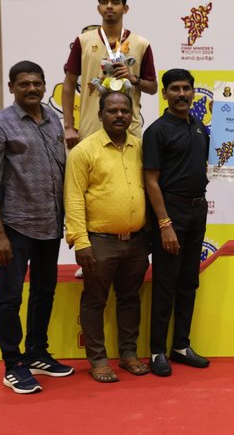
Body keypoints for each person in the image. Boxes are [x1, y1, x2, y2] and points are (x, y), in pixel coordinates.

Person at [0, 61, 74, 394]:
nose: (31, 89)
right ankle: (13, 364)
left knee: (44, 292)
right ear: (11, 88)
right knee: (9, 297)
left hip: (50, 224)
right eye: (24, 84)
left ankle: (36, 352)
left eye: (37, 83)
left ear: (45, 85)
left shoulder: (53, 122)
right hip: (14, 227)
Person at [65, 91, 151, 383]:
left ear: (132, 115)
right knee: (94, 300)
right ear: (100, 115)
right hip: (99, 241)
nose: (119, 115)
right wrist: (81, 242)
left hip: (137, 241)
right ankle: (98, 360)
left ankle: (128, 355)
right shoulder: (83, 151)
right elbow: (74, 199)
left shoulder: (141, 148)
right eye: (112, 110)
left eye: (125, 111)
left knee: (130, 299)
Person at [143, 69, 211, 377]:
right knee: (166, 283)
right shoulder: (157, 131)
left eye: (186, 88)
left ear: (194, 92)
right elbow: (151, 180)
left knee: (188, 282)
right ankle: (157, 350)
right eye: (175, 89)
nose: (181, 94)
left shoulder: (199, 126)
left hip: (197, 212)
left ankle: (181, 346)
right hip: (171, 213)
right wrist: (164, 223)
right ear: (165, 93)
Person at [62, 0, 157, 147]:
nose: (109, 6)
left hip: (129, 130)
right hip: (91, 128)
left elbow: (153, 88)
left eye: (115, 2)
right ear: (99, 8)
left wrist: (132, 78)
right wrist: (69, 126)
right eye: (104, 2)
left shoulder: (141, 44)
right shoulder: (83, 41)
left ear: (125, 8)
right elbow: (69, 84)